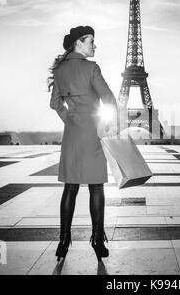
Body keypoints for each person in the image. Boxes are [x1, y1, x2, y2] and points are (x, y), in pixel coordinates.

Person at [48, 25, 117, 262]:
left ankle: (64, 240)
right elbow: (108, 98)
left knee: (71, 186)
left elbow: (55, 103)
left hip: (72, 132)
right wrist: (110, 124)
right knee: (96, 186)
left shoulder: (60, 71)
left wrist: (70, 119)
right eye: (91, 41)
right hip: (92, 130)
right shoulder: (91, 68)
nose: (94, 45)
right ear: (79, 42)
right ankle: (97, 240)